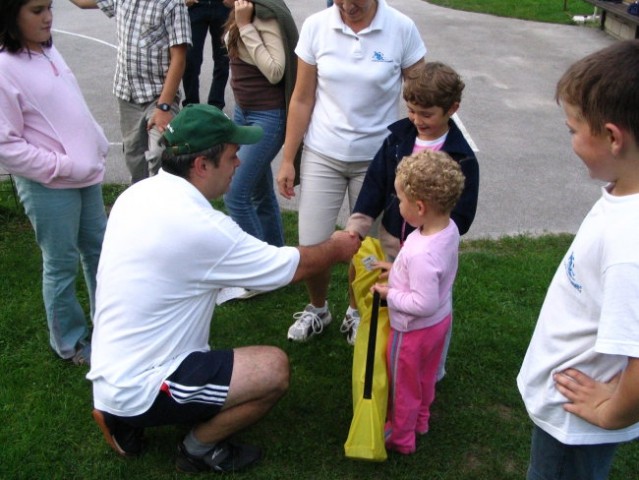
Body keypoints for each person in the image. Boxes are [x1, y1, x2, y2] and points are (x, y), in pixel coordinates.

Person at [87, 104, 361, 473]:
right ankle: (198, 447)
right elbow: (287, 267)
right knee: (273, 369)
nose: (238, 164)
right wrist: (338, 248)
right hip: (143, 383)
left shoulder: (138, 194)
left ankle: (121, 415)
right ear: (202, 165)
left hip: (109, 368)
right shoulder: (202, 226)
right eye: (232, 157)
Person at [517, 40, 639, 480]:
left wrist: (612, 414)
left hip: (577, 422)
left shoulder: (630, 244)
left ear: (611, 136)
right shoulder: (622, 194)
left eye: (573, 129)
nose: (569, 140)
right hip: (570, 409)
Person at [276, 0, 426, 342]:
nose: (347, 6)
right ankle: (318, 309)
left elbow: (422, 97)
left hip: (379, 160)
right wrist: (288, 159)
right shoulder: (316, 26)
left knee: (368, 246)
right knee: (312, 242)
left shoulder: (401, 28)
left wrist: (419, 153)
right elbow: (301, 98)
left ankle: (357, 311)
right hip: (322, 152)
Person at [343, 61, 480, 357]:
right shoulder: (397, 140)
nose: (417, 119)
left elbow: (463, 215)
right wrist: (358, 225)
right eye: (411, 110)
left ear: (452, 109)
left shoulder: (462, 157)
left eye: (427, 114)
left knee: (433, 304)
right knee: (396, 299)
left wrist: (429, 236)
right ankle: (392, 355)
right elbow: (375, 185)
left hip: (432, 254)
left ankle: (432, 361)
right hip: (393, 242)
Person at [0, 0, 108, 366]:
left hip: (86, 176)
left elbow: (71, 104)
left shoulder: (47, 50)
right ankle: (71, 343)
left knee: (101, 252)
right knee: (60, 263)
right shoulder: (4, 65)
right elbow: (7, 146)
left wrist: (96, 140)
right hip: (49, 186)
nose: (47, 17)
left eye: (48, 7)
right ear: (11, 15)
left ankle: (109, 327)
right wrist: (63, 165)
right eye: (35, 10)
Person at [371, 151, 465, 455]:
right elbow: (430, 279)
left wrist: (389, 294)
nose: (398, 206)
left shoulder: (422, 253)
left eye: (401, 200)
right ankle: (421, 420)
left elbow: (422, 302)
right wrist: (395, 270)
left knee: (404, 387)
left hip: (412, 331)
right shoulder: (446, 229)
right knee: (425, 378)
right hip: (439, 324)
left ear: (420, 207)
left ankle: (401, 437)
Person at [68, 0, 191, 183]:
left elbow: (179, 58)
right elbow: (83, 3)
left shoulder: (172, 5)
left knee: (160, 153)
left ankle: (162, 200)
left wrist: (164, 106)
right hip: (127, 96)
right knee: (134, 156)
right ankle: (139, 200)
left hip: (159, 97)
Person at [221, 0, 298, 250]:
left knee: (235, 193)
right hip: (244, 113)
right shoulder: (242, 10)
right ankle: (275, 259)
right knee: (259, 193)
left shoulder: (264, 15)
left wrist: (244, 26)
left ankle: (255, 267)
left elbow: (276, 70)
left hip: (268, 117)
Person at [182, 0, 230, 109]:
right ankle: (191, 106)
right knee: (190, 59)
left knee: (223, 59)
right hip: (196, 6)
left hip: (223, 6)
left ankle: (216, 107)